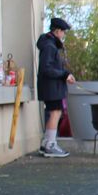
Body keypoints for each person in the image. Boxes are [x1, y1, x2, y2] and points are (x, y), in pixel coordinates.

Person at [36, 17, 76, 158]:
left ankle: (47, 142)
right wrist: (64, 74)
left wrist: (65, 75)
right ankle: (50, 145)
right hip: (51, 88)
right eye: (63, 32)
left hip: (52, 87)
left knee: (55, 112)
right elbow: (46, 69)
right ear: (57, 31)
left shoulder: (49, 44)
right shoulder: (49, 46)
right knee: (55, 113)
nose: (64, 35)